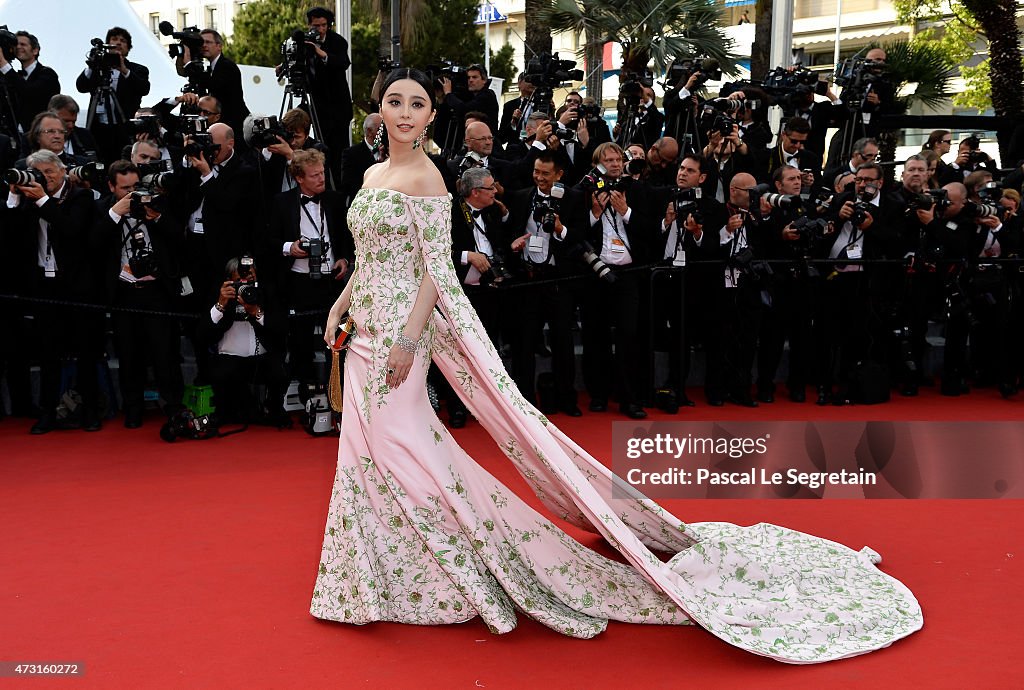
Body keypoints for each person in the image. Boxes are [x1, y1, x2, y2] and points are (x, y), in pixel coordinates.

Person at [311, 67, 922, 662]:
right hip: (364, 323)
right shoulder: (371, 173)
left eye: (417, 104)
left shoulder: (429, 179)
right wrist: (340, 306)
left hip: (400, 335)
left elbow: (434, 272)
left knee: (398, 444)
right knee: (368, 448)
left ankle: (460, 566)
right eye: (396, 101)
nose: (405, 112)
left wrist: (409, 342)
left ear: (431, 115)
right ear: (380, 108)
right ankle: (387, 568)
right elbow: (367, 259)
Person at [75, 26, 151, 164]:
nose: (118, 43)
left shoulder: (137, 69)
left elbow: (143, 89)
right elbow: (81, 86)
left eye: (123, 41)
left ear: (128, 48)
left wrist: (123, 70)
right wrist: (91, 65)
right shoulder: (98, 69)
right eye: (114, 39)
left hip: (124, 129)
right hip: (98, 130)